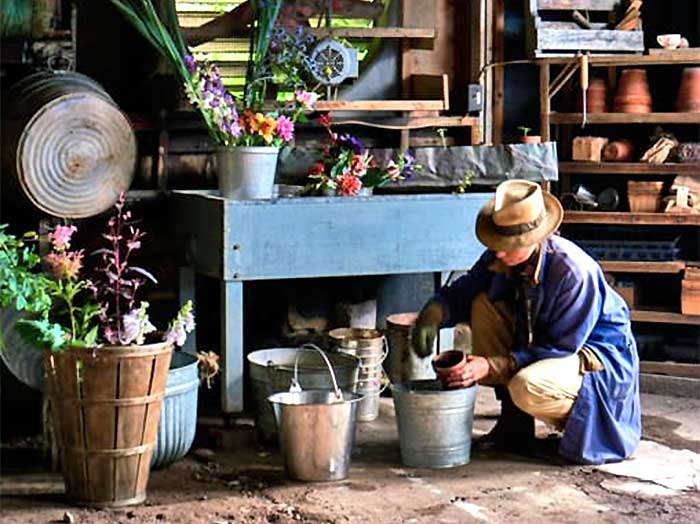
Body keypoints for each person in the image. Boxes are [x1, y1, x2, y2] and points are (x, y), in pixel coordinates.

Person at [412, 179, 641, 465]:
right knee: (483, 303)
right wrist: (434, 313)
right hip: (547, 344)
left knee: (526, 385)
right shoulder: (503, 254)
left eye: (507, 246)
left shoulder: (573, 273)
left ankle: (572, 425)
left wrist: (491, 365)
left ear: (534, 238)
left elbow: (558, 347)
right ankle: (514, 427)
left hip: (592, 357)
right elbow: (467, 288)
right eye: (497, 244)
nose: (498, 253)